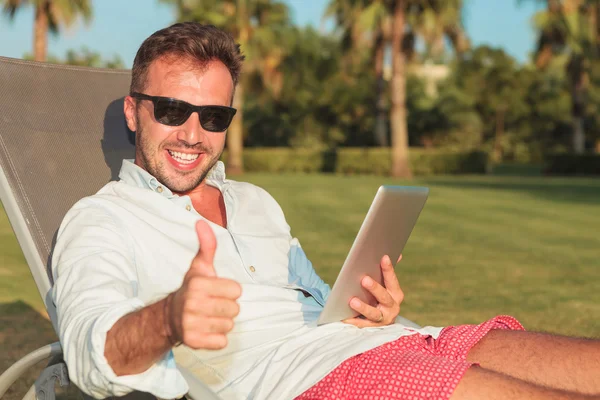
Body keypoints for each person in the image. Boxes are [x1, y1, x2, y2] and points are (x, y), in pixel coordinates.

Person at [51, 22, 600, 400]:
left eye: (214, 116)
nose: (193, 135)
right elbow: (87, 347)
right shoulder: (101, 220)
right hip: (304, 381)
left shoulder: (256, 202)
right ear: (133, 111)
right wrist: (168, 319)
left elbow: (321, 306)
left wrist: (370, 309)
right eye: (173, 110)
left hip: (389, 340)